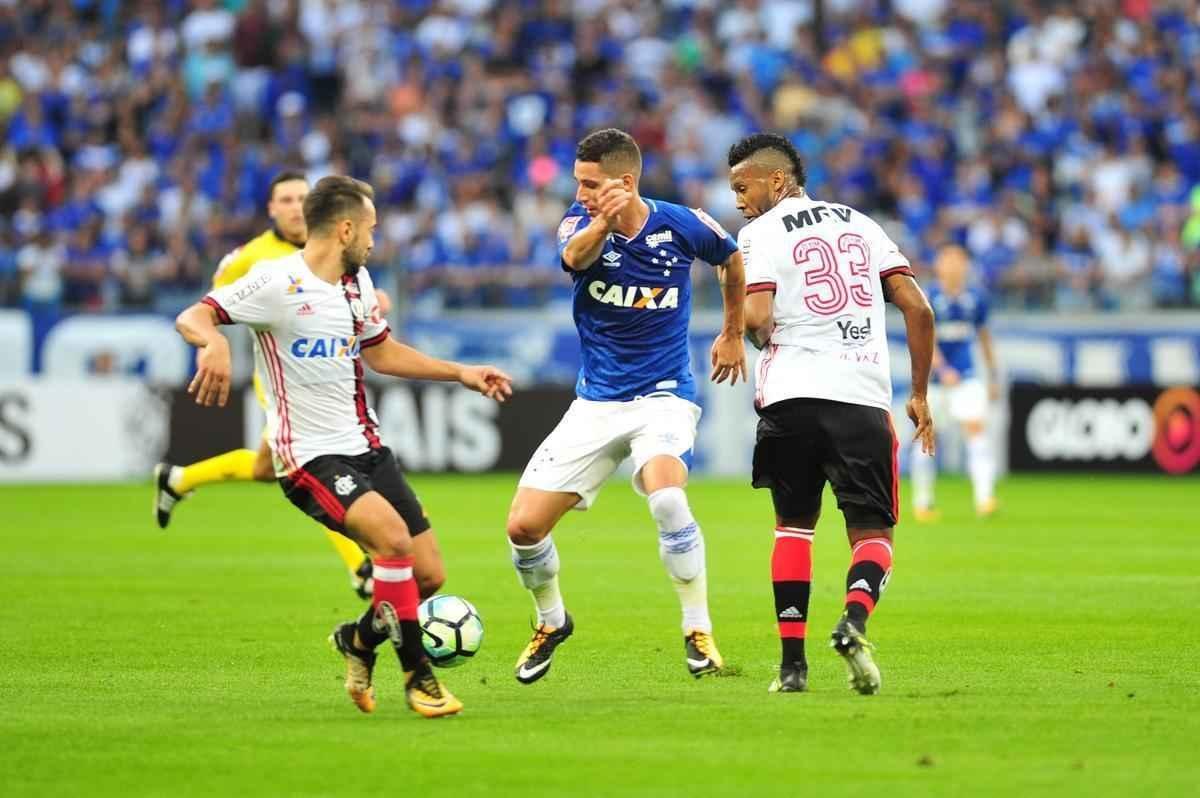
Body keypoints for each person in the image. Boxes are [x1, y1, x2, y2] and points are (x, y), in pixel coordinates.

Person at [173, 175, 513, 718]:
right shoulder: (275, 283)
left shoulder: (356, 283)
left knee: (428, 575)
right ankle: (417, 677)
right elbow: (194, 314)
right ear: (346, 227)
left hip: (367, 445)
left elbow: (381, 353)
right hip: (307, 456)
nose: (375, 240)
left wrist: (461, 373)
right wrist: (212, 341)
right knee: (393, 543)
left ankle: (357, 642)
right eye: (372, 229)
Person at [505, 128, 748, 684]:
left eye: (591, 184)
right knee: (522, 528)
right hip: (596, 403)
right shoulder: (579, 223)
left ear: (626, 181)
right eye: (578, 183)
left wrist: (733, 331)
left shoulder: (681, 223)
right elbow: (572, 256)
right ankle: (551, 620)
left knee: (666, 496)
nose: (581, 192)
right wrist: (600, 221)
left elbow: (731, 261)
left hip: (663, 396)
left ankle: (697, 629)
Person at [727, 133, 935, 695]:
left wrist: (746, 331)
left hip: (790, 396)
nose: (739, 200)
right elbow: (917, 306)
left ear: (777, 181)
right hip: (860, 396)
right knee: (873, 532)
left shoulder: (758, 234)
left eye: (743, 187)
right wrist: (918, 392)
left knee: (793, 526)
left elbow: (759, 315)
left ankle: (792, 668)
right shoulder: (863, 225)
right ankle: (854, 620)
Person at [153, 170, 382, 599]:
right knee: (324, 462)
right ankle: (361, 567)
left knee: (264, 468)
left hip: (323, 375)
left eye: (302, 198)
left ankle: (178, 479)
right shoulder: (252, 257)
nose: (295, 206)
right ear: (271, 209)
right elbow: (210, 308)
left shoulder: (337, 247)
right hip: (282, 380)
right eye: (286, 200)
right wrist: (210, 345)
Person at [912, 245, 1000, 519]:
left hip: (967, 376)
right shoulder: (928, 296)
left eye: (958, 261)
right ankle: (923, 502)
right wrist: (942, 367)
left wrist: (993, 374)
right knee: (927, 437)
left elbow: (984, 337)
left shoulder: (976, 298)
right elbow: (924, 338)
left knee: (976, 429)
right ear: (938, 266)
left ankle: (985, 498)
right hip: (933, 382)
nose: (953, 266)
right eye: (947, 260)